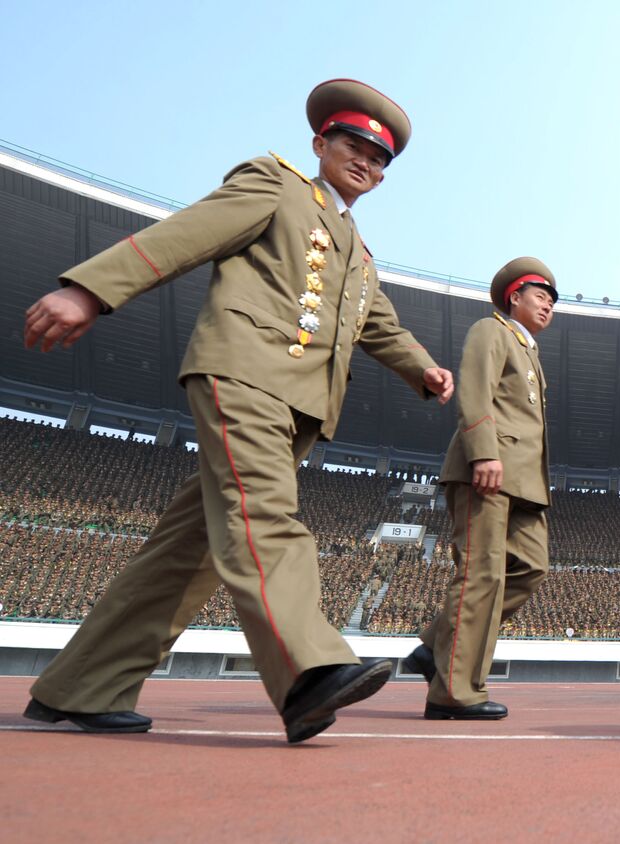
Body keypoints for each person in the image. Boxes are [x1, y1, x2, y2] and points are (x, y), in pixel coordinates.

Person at [21, 79, 455, 743]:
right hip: (244, 371)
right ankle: (309, 670)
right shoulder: (276, 186)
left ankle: (83, 684)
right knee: (264, 515)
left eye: (380, 158)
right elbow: (190, 232)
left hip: (300, 408)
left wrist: (422, 368)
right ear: (319, 143)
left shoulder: (361, 258)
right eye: (353, 144)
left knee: (188, 552)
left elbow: (380, 326)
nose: (366, 160)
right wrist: (92, 290)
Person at [402, 258, 556, 719]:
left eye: (552, 300)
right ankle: (453, 694)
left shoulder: (529, 352)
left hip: (525, 482)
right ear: (515, 297)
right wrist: (483, 452)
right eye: (540, 296)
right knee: (480, 574)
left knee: (531, 568)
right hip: (488, 469)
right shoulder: (492, 332)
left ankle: (433, 648)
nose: (548, 305)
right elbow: (474, 391)